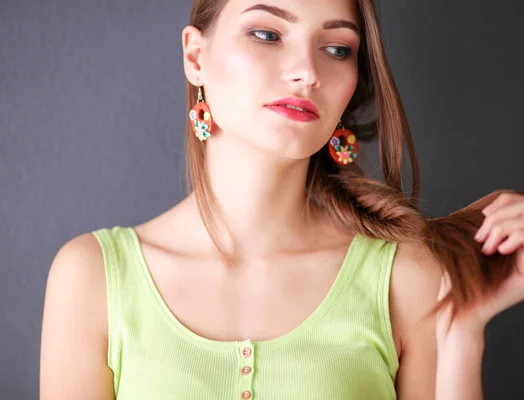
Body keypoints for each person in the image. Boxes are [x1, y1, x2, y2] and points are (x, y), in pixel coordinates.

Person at [39, 0, 524, 399]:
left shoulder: (407, 276)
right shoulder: (93, 277)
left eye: (336, 48)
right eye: (267, 34)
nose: (306, 72)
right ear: (195, 57)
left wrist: (461, 333)